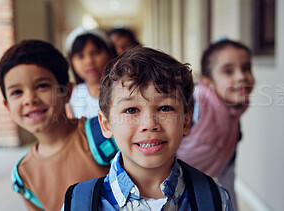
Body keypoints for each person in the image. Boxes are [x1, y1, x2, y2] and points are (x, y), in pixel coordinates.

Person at [63, 47, 233, 210]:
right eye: (131, 110)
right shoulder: (78, 203)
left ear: (186, 121)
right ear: (106, 124)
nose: (150, 124)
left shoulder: (215, 199)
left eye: (165, 108)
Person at [0, 40, 114, 210]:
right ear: (7, 105)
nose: (29, 99)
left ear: (67, 92)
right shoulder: (23, 175)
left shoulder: (103, 134)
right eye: (17, 92)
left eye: (42, 86)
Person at [176, 40, 255, 209]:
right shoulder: (195, 105)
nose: (241, 76)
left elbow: (227, 173)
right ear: (207, 81)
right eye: (228, 71)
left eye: (246, 68)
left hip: (195, 193)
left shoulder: (233, 117)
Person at [66, 28, 115, 119]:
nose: (89, 61)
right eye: (81, 56)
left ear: (110, 54)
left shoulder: (122, 88)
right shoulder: (76, 95)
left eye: (96, 53)